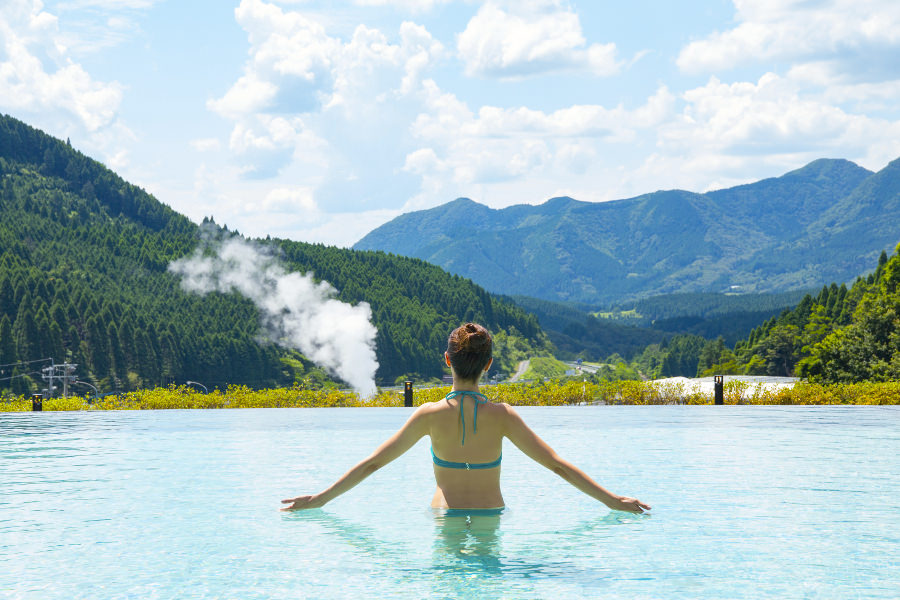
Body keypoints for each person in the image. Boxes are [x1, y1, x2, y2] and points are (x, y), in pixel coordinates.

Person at [281, 323, 650, 514]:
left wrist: (320, 499)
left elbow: (374, 464)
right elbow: (558, 467)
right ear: (489, 364)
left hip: (445, 517)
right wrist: (613, 501)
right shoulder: (504, 416)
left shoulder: (427, 416)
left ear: (448, 360)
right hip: (491, 515)